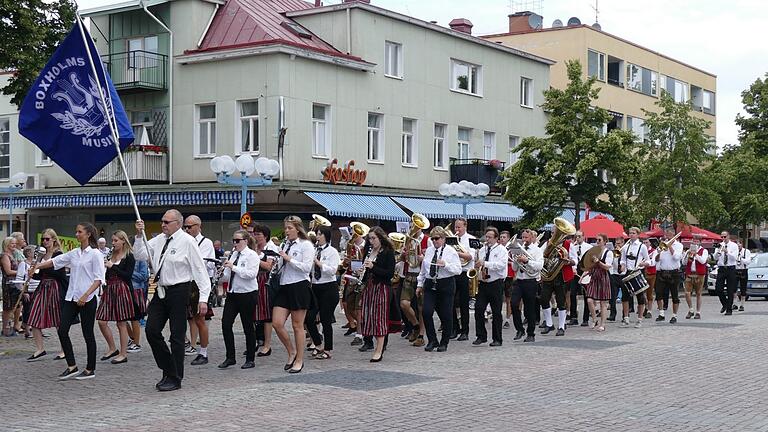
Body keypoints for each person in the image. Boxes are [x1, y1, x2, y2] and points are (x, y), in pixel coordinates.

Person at [134, 210, 211, 391]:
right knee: (152, 330)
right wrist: (139, 235)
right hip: (161, 290)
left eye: (167, 222)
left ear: (178, 223)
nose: (163, 225)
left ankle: (175, 377)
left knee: (177, 336)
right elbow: (140, 255)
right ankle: (169, 367)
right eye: (162, 221)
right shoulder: (159, 239)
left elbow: (200, 270)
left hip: (179, 290)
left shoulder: (188, 242)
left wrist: (204, 299)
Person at [32, 222, 105, 380]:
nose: (77, 234)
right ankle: (71, 366)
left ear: (88, 234)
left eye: (79, 232)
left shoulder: (95, 254)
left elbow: (99, 278)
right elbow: (55, 262)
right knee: (62, 329)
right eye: (76, 231)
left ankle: (90, 368)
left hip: (88, 298)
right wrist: (37, 266)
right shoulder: (74, 253)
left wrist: (86, 295)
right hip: (71, 297)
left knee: (88, 334)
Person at [271, 215, 315, 374]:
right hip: (284, 285)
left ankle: (299, 360)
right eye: (286, 228)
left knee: (297, 326)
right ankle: (291, 351)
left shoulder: (306, 245)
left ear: (298, 228)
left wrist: (289, 259)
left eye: (289, 228)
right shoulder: (285, 244)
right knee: (276, 323)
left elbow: (306, 268)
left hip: (299, 286)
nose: (286, 231)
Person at [218, 230, 259, 369]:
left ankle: (250, 359)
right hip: (233, 293)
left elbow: (251, 274)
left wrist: (233, 267)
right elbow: (227, 276)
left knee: (248, 326)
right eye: (233, 240)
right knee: (225, 324)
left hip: (247, 293)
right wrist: (221, 272)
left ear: (246, 241)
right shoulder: (233, 254)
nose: (235, 243)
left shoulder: (252, 255)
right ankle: (230, 357)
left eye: (238, 240)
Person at [94, 230, 136, 365]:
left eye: (116, 240)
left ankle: (123, 354)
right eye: (112, 241)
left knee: (121, 323)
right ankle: (112, 348)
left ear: (123, 241)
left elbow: (127, 275)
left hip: (122, 288)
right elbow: (107, 273)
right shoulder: (111, 254)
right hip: (109, 288)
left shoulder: (129, 256)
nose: (113, 243)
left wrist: (113, 267)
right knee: (101, 320)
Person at [417, 226, 461, 352]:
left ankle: (444, 342)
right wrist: (420, 285)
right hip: (431, 283)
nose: (435, 241)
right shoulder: (430, 251)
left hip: (446, 283)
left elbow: (458, 270)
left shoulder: (451, 251)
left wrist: (445, 264)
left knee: (446, 314)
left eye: (437, 239)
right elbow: (424, 270)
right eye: (433, 239)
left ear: (443, 239)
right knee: (426, 311)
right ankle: (432, 340)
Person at [26, 230, 68, 361]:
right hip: (43, 287)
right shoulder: (41, 256)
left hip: (55, 288)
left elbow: (59, 274)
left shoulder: (58, 254)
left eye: (47, 239)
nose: (44, 241)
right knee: (34, 316)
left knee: (58, 319)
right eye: (43, 239)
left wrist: (42, 266)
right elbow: (40, 276)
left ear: (54, 240)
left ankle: (64, 349)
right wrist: (33, 272)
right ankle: (40, 348)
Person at [358, 227, 398, 362]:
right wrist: (361, 273)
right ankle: (373, 342)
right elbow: (367, 272)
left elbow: (389, 274)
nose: (371, 241)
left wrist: (373, 267)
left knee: (379, 318)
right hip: (369, 288)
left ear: (380, 237)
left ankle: (379, 350)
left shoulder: (388, 252)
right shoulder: (368, 252)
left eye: (374, 238)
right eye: (369, 238)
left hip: (382, 288)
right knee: (369, 317)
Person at [183, 215, 215, 366]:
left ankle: (203, 351)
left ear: (198, 226)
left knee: (199, 319)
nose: (187, 229)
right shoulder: (183, 240)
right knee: (184, 317)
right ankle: (187, 344)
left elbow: (205, 264)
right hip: (185, 281)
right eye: (185, 227)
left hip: (198, 284)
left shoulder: (205, 242)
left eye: (190, 226)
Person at [306, 225, 340, 360]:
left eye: (320, 234)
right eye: (317, 234)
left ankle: (328, 349)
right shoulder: (314, 250)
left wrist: (318, 262)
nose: (318, 237)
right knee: (309, 318)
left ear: (326, 236)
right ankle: (318, 344)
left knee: (326, 320)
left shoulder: (332, 251)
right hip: (315, 286)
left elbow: (332, 270)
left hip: (328, 287)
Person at [472, 227, 507, 346]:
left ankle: (497, 339)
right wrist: (477, 265)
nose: (487, 239)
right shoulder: (482, 250)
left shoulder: (502, 250)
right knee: (478, 309)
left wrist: (485, 263)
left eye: (490, 237)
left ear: (496, 238)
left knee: (496, 312)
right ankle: (481, 336)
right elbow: (478, 263)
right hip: (483, 283)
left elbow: (501, 265)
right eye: (486, 237)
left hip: (495, 283)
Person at [510, 229, 543, 342]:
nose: (524, 240)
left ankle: (531, 333)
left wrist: (527, 261)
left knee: (529, 309)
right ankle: (519, 329)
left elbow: (539, 266)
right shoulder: (519, 249)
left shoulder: (537, 250)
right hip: (519, 281)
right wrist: (516, 260)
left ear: (531, 238)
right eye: (523, 237)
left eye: (526, 238)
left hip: (530, 281)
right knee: (513, 304)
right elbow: (514, 269)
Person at [252, 222, 280, 357]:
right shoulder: (253, 247)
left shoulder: (271, 248)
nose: (255, 237)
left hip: (266, 281)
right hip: (253, 281)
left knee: (266, 314)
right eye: (254, 234)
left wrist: (254, 257)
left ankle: (267, 345)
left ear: (266, 236)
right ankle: (255, 341)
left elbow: (269, 266)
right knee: (253, 314)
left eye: (258, 234)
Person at [540, 229, 572, 336]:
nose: (554, 235)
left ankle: (561, 326)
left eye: (557, 233)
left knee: (561, 301)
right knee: (544, 299)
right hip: (549, 275)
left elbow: (574, 261)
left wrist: (567, 261)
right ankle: (549, 324)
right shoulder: (547, 243)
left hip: (561, 276)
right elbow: (542, 257)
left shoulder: (568, 244)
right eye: (553, 233)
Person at [450, 218, 475, 341]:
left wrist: (456, 253)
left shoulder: (471, 239)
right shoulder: (452, 240)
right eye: (455, 227)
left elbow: (470, 256)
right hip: (453, 272)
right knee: (451, 302)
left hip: (465, 273)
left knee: (464, 303)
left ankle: (465, 331)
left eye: (459, 227)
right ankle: (454, 328)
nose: (457, 230)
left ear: (465, 226)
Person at [620, 227, 649, 327]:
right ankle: (626, 318)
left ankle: (639, 319)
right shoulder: (625, 247)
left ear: (637, 234)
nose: (631, 235)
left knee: (640, 297)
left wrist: (643, 263)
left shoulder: (642, 246)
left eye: (633, 233)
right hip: (628, 272)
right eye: (630, 233)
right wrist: (623, 265)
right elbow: (623, 259)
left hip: (637, 272)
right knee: (625, 297)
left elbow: (649, 261)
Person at [342, 231, 366, 346]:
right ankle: (362, 325)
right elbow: (345, 265)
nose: (354, 234)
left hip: (362, 278)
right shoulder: (350, 246)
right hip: (351, 277)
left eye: (356, 232)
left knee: (358, 308)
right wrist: (347, 262)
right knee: (348, 304)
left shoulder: (366, 246)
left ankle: (359, 334)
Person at [654, 228, 683, 323]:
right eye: (667, 235)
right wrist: (658, 254)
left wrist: (670, 246)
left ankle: (674, 315)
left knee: (674, 295)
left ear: (674, 235)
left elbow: (676, 257)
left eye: (670, 235)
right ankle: (661, 313)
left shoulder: (679, 245)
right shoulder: (662, 245)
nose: (668, 236)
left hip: (674, 273)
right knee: (658, 293)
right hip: (662, 272)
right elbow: (657, 260)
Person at [584, 234, 612, 332]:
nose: (597, 241)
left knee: (603, 303)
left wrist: (598, 261)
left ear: (605, 241)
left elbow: (607, 267)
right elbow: (589, 265)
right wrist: (584, 274)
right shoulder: (593, 252)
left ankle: (602, 324)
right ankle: (595, 318)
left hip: (603, 277)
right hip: (594, 276)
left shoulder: (608, 253)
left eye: (599, 240)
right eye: (596, 240)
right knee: (589, 300)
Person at [15, 246, 40, 340]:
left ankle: (37, 330)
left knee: (37, 311)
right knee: (28, 311)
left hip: (37, 290)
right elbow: (19, 279)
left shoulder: (37, 263)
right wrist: (24, 291)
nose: (36, 253)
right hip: (28, 291)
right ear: (29, 253)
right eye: (34, 251)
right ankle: (27, 331)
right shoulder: (23, 264)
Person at [568, 231, 592, 326]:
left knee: (586, 295)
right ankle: (574, 317)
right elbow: (572, 258)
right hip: (576, 270)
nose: (577, 238)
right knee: (573, 293)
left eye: (579, 236)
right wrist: (573, 269)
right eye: (576, 236)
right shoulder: (573, 247)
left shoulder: (589, 247)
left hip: (585, 270)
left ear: (583, 237)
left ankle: (585, 318)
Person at [714, 231, 739, 316]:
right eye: (722, 237)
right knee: (718, 289)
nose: (723, 239)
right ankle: (725, 304)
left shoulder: (734, 245)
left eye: (725, 237)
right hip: (721, 268)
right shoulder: (719, 245)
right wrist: (718, 252)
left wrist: (727, 251)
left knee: (730, 290)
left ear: (728, 236)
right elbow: (715, 257)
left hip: (730, 268)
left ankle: (729, 309)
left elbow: (735, 257)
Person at [683, 235, 708, 319]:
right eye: (693, 241)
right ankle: (691, 309)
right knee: (687, 293)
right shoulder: (688, 251)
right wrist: (687, 255)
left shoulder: (704, 251)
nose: (694, 242)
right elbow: (683, 263)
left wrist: (696, 254)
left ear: (700, 242)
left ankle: (698, 312)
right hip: (689, 273)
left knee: (698, 293)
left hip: (699, 274)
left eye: (696, 241)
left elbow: (703, 261)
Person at [128, 255, 149, 353]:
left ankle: (136, 343)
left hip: (136, 289)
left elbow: (144, 276)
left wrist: (128, 271)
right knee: (120, 319)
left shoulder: (141, 258)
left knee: (134, 318)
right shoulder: (120, 256)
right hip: (123, 289)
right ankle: (132, 338)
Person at [1, 236, 20, 336]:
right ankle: (5, 329)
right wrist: (21, 272)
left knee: (14, 305)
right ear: (7, 244)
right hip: (8, 283)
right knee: (8, 306)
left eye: (15, 243)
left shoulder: (12, 255)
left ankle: (11, 326)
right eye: (12, 243)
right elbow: (8, 271)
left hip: (14, 283)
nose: (14, 245)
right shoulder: (5, 256)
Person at [735, 240, 752, 311]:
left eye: (739, 245)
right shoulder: (734, 251)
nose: (738, 247)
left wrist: (741, 259)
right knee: (733, 288)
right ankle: (734, 304)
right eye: (737, 246)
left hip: (743, 270)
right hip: (735, 270)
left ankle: (742, 305)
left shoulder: (746, 251)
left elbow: (748, 261)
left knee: (743, 288)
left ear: (742, 245)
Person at [643, 238, 658, 318]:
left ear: (650, 243)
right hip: (642, 273)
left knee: (649, 292)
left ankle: (649, 310)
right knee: (642, 293)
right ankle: (645, 306)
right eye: (644, 242)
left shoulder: (654, 251)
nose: (645, 244)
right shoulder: (641, 250)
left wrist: (643, 263)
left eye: (647, 242)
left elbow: (653, 263)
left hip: (651, 274)